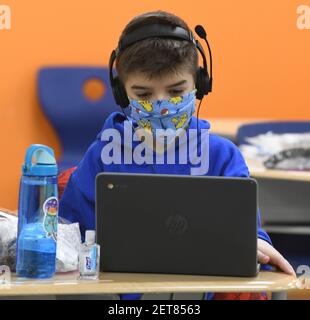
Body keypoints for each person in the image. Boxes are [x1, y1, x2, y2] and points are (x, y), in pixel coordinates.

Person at [59, 10, 295, 300]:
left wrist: (253, 243)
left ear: (199, 84)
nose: (161, 106)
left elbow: (249, 231)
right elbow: (67, 240)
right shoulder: (103, 156)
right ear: (122, 93)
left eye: (175, 91)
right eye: (143, 95)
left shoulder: (222, 157)